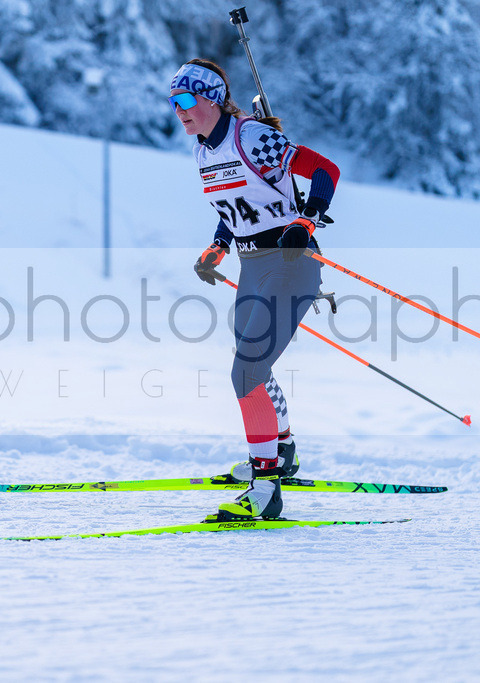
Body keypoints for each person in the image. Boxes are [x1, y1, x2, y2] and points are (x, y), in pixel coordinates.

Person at [168, 58, 340, 521]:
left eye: (186, 100)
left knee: (245, 371)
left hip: (291, 262)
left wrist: (307, 220)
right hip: (252, 266)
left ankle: (265, 489)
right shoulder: (204, 149)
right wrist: (218, 247)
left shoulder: (251, 136)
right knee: (252, 366)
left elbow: (325, 170)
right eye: (173, 102)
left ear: (213, 99)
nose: (179, 110)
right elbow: (234, 204)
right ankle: (281, 452)